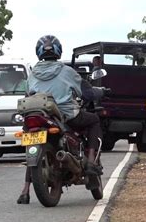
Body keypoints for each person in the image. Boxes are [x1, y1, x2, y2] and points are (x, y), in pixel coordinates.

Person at [17, 35, 105, 204]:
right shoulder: (67, 71)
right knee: (93, 120)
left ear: (38, 52)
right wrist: (101, 91)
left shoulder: (32, 74)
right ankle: (91, 160)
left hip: (38, 115)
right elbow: (87, 93)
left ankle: (25, 190)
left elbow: (27, 95)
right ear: (58, 51)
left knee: (31, 144)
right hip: (67, 116)